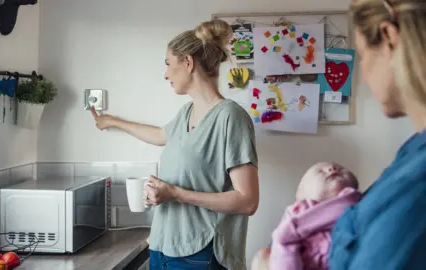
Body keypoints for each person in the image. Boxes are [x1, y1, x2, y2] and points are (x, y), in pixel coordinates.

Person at [253, 0, 426, 269]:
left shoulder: (416, 181)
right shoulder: (412, 153)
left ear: (389, 38)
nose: (364, 74)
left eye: (362, 54)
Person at [90, 19, 259, 270]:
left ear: (188, 63)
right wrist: (111, 121)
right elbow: (160, 134)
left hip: (200, 253)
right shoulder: (186, 113)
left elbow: (248, 201)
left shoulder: (230, 118)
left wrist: (176, 194)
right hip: (162, 246)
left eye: (168, 64)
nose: (166, 74)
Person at [251, 162, 361, 270]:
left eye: (341, 169)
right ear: (301, 192)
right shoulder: (294, 212)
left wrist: (292, 230)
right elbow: (283, 245)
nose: (332, 168)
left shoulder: (349, 198)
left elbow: (346, 204)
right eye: (320, 171)